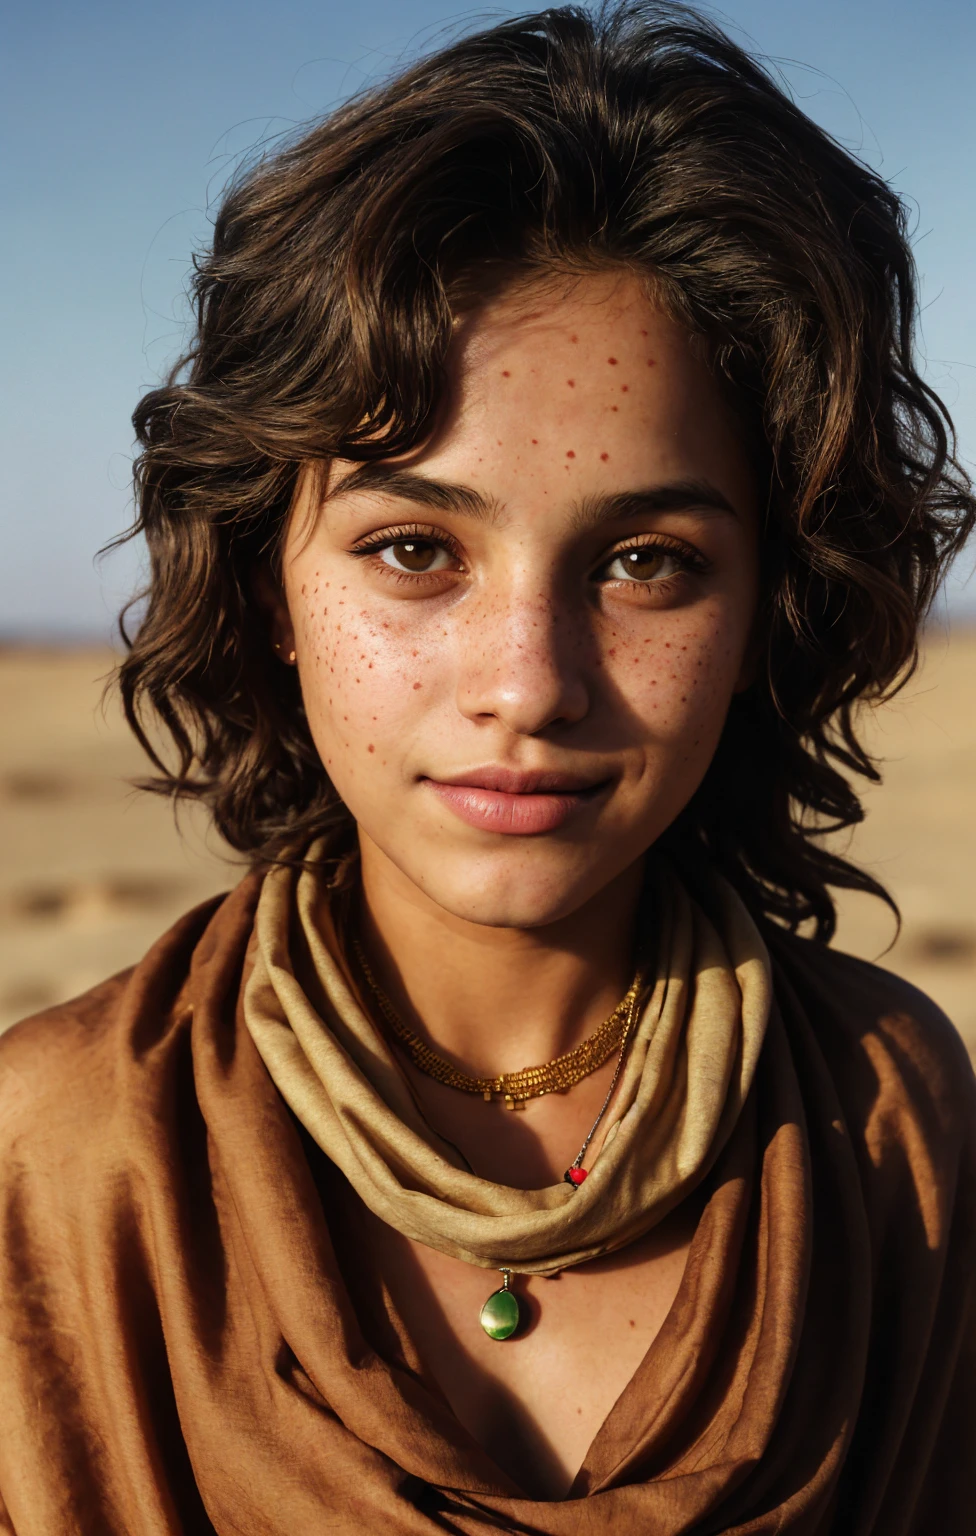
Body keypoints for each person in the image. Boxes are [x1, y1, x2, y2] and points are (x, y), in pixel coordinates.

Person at [1, 3, 974, 1530]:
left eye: (649, 562)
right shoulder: (59, 1160)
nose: (528, 683)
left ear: (770, 606)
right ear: (272, 590)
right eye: (413, 552)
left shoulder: (884, 1116)